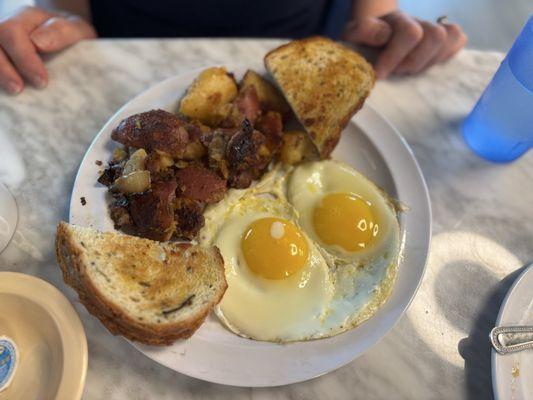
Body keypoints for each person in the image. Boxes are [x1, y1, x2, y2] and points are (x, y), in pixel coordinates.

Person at [0, 0, 467, 95]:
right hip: (121, 54)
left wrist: (380, 26)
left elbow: (368, 17)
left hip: (295, 54)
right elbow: (67, 12)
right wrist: (48, 24)